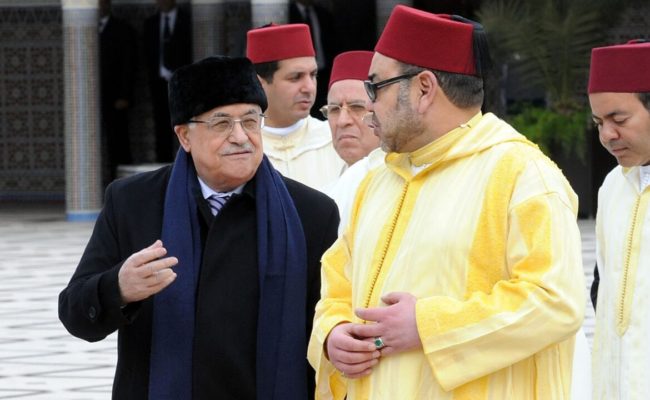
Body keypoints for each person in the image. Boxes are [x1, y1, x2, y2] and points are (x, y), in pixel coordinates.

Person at [307, 6, 585, 399]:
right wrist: (334, 333)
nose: (369, 104)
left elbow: (555, 302)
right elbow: (337, 281)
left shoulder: (521, 174)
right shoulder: (378, 180)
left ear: (424, 89)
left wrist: (428, 325)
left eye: (376, 86)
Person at [58, 56, 339, 400]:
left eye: (251, 121)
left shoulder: (311, 213)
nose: (241, 137)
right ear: (184, 136)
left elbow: (327, 325)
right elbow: (75, 314)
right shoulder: (133, 202)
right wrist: (118, 288)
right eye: (221, 124)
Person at [588, 39, 650, 399]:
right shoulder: (612, 185)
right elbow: (603, 287)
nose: (607, 135)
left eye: (619, 119)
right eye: (598, 122)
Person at [247, 23, 345, 191]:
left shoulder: (335, 139)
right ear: (259, 83)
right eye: (295, 77)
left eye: (313, 75)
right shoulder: (241, 148)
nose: (309, 87)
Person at [144, 0, 192, 163]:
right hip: (158, 84)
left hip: (183, 85)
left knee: (184, 122)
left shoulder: (186, 20)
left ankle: (185, 161)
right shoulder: (150, 23)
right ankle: (163, 162)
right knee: (161, 124)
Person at [98, 0, 136, 183]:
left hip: (115, 98)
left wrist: (124, 95)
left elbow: (129, 64)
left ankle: (119, 183)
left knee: (118, 140)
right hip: (94, 97)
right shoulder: (87, 28)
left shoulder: (121, 29)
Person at [289, 0, 339, 119]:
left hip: (325, 73)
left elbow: (333, 43)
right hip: (299, 72)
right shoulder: (289, 13)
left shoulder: (323, 14)